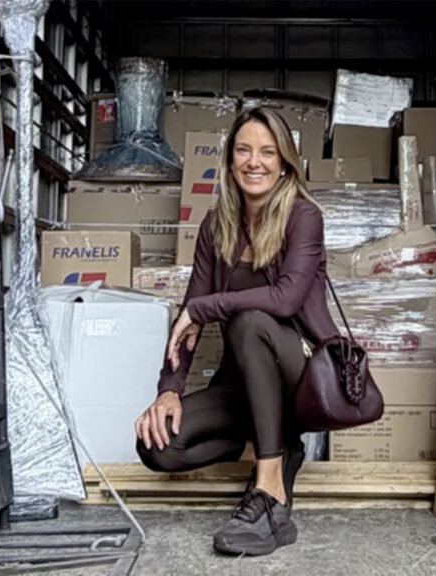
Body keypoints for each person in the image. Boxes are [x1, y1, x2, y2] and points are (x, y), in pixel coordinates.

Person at [133, 107, 339, 556]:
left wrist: (207, 307)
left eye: (267, 152)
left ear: (284, 162)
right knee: (157, 445)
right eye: (243, 150)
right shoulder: (215, 227)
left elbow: (284, 300)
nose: (254, 162)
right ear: (229, 161)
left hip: (302, 380)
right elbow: (189, 317)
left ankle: (270, 492)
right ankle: (276, 448)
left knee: (250, 321)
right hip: (244, 386)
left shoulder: (303, 217)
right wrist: (168, 390)